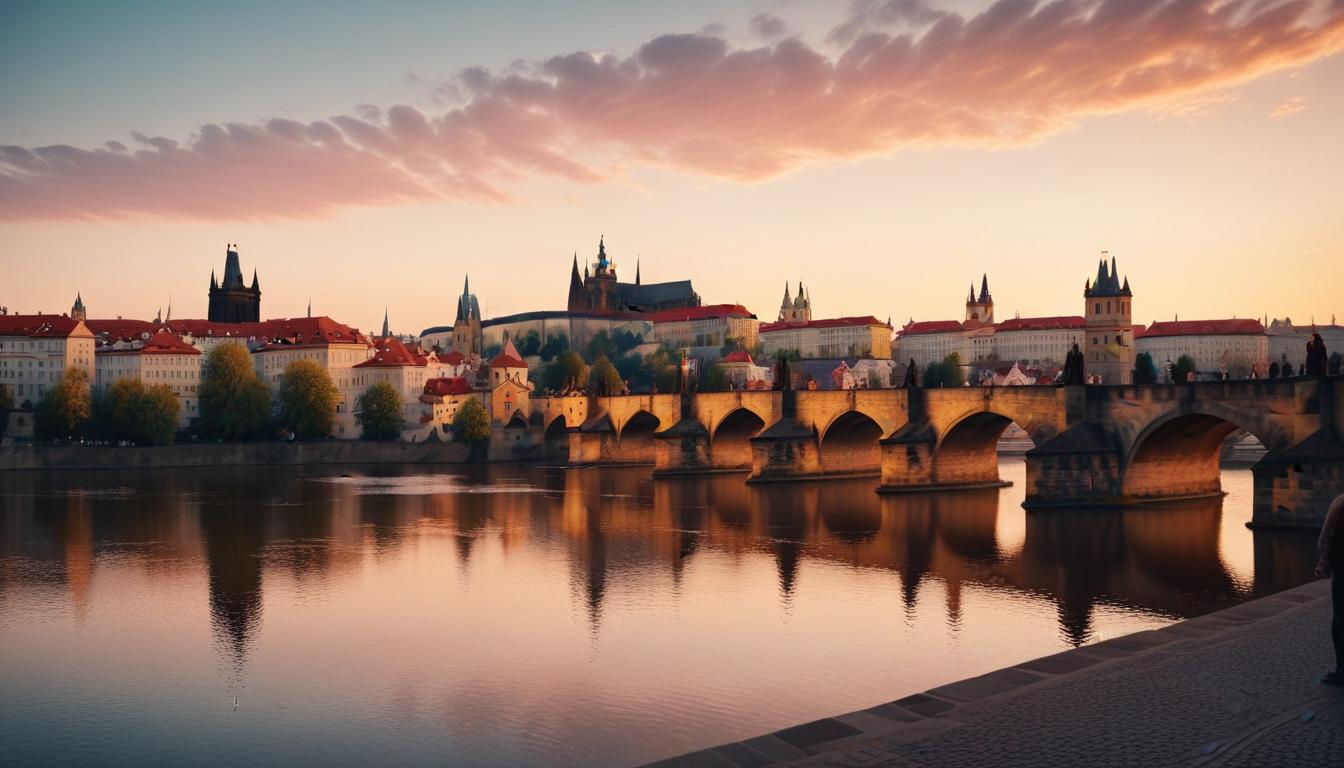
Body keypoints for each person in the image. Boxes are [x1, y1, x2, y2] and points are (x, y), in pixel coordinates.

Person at [1316, 493, 1344, 686]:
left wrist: (1323, 560)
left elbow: (1327, 537)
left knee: (1341, 618)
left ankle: (1342, 670)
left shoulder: (1340, 503)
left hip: (1342, 566)